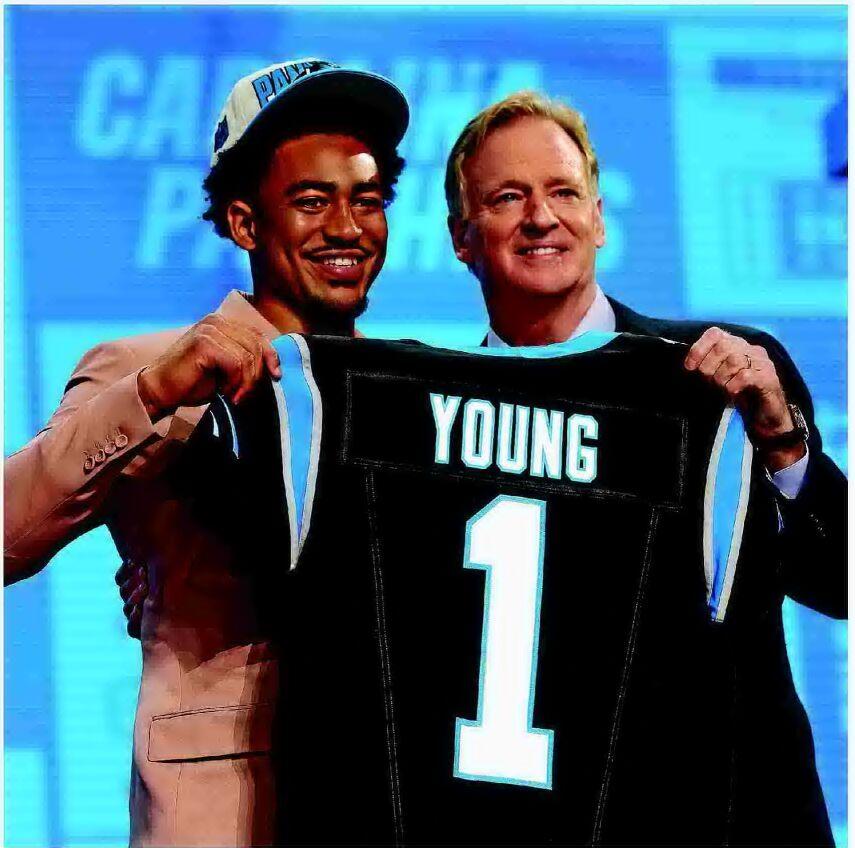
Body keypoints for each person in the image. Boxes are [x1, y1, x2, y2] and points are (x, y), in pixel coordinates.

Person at [4, 57, 408, 847]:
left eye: (366, 200)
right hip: (224, 813)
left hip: (377, 793)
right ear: (244, 222)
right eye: (312, 200)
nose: (347, 228)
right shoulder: (147, 369)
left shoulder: (404, 386)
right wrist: (156, 393)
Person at [443, 90, 845, 845]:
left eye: (563, 192)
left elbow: (840, 580)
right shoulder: (438, 426)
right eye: (507, 197)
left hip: (736, 822)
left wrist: (783, 444)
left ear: (597, 215)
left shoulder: (724, 374)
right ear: (461, 237)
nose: (541, 217)